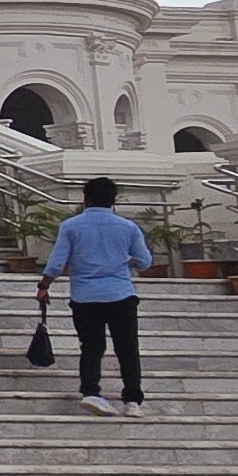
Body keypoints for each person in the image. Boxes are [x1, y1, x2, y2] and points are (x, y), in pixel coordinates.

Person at [38, 176, 157, 417]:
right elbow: (145, 262)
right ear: (113, 201)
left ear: (86, 199)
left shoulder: (71, 226)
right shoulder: (128, 227)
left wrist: (44, 286)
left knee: (91, 347)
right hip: (121, 294)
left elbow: (56, 263)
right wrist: (126, 262)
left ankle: (91, 392)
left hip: (85, 297)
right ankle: (132, 400)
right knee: (127, 348)